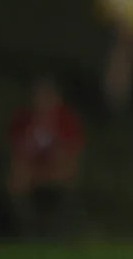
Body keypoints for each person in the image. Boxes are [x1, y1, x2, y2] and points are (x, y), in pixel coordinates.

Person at [7, 75, 85, 239]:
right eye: (39, 97)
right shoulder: (24, 120)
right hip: (32, 169)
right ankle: (28, 229)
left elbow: (71, 152)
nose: (42, 102)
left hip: (56, 169)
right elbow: (19, 151)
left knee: (66, 171)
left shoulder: (66, 120)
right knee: (18, 177)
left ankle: (59, 231)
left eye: (47, 97)